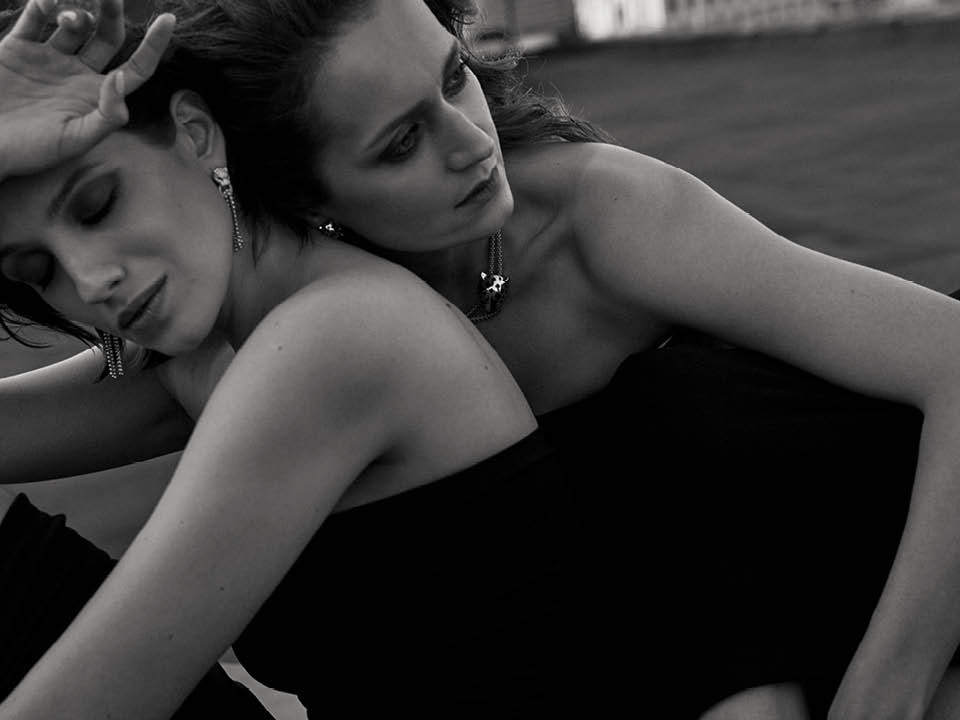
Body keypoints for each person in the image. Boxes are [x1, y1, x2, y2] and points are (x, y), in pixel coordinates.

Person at [116, 1, 960, 718]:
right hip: (676, 663)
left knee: (675, 405)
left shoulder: (601, 214)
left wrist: (886, 694)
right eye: (401, 143)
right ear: (304, 195)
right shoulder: (283, 346)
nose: (469, 142)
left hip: (892, 578)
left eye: (454, 76)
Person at [0, 1, 623, 717]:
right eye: (37, 270)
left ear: (196, 135)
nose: (88, 282)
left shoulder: (334, 340)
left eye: (98, 206)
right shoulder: (213, 353)